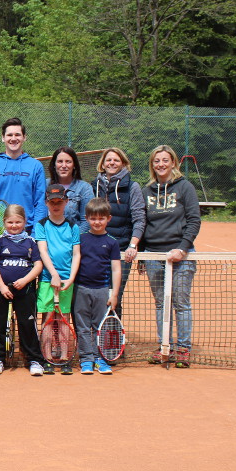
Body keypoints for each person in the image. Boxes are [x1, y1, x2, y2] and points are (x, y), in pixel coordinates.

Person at [141, 145, 201, 368]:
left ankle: (183, 348)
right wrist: (144, 253)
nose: (161, 165)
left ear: (173, 163)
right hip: (154, 255)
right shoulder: (147, 191)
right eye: (157, 161)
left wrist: (183, 248)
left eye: (165, 160)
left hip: (182, 254)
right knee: (160, 304)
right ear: (152, 165)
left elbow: (194, 220)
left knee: (181, 302)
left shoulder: (185, 187)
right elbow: (143, 222)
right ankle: (164, 345)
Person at [0, 204, 45, 376]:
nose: (14, 225)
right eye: (10, 222)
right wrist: (2, 286)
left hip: (25, 290)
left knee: (28, 324)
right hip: (2, 291)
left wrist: (26, 280)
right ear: (4, 222)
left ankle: (34, 359)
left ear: (25, 222)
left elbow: (38, 265)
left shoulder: (30, 242)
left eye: (18, 222)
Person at [92, 147, 146, 321]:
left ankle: (114, 340)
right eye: (108, 160)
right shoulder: (94, 186)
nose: (112, 163)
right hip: (96, 250)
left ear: (123, 163)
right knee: (96, 295)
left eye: (116, 160)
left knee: (115, 295)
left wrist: (133, 244)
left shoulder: (132, 186)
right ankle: (97, 337)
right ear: (103, 163)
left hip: (121, 250)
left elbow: (139, 218)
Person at [33, 185, 80, 374]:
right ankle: (47, 357)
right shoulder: (41, 224)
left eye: (59, 202)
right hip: (47, 279)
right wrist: (53, 274)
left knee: (63, 319)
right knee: (47, 318)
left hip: (67, 280)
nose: (56, 205)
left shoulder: (73, 226)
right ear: (46, 203)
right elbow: (43, 250)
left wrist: (70, 278)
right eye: (52, 202)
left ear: (66, 202)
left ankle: (63, 358)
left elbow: (76, 254)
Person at [0, 117, 47, 248]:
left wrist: (35, 235)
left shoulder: (36, 166)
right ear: (3, 138)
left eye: (17, 134)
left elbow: (40, 203)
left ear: (24, 137)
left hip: (27, 233)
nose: (13, 138)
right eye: (9, 135)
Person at [74, 198, 122, 375]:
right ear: (87, 219)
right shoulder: (80, 239)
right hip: (81, 289)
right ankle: (86, 359)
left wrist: (114, 294)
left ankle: (100, 358)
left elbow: (116, 269)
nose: (97, 222)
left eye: (101, 218)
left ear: (108, 219)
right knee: (83, 326)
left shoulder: (112, 242)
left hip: (102, 290)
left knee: (99, 326)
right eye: (93, 218)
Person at [47, 146, 94, 234]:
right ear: (54, 165)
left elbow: (87, 221)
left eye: (68, 162)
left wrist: (70, 239)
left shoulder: (84, 188)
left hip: (74, 240)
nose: (64, 165)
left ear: (74, 165)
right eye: (60, 162)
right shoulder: (45, 185)